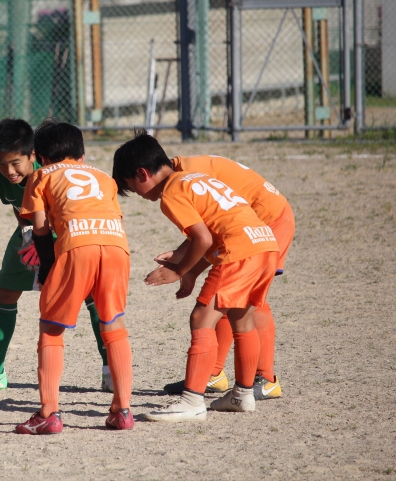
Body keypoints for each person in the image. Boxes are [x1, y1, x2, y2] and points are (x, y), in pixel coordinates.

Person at [112, 132, 279, 421]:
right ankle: (242, 394)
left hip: (240, 251)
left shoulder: (170, 194)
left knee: (201, 318)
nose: (137, 194)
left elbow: (202, 239)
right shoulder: (195, 178)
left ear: (142, 174)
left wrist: (177, 270)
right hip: (265, 244)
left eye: (132, 186)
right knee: (242, 320)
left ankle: (191, 401)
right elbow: (215, 232)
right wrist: (190, 273)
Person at [0, 118, 113, 393]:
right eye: (2, 162)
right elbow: (19, 207)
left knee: (92, 295)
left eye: (16, 163)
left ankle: (110, 369)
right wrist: (27, 232)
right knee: (5, 292)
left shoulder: (50, 170)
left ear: (33, 156)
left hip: (68, 235)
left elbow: (68, 212)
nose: (9, 171)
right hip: (31, 234)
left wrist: (46, 245)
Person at [14, 120, 134, 435]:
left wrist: (48, 267)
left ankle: (49, 414)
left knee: (51, 329)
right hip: (116, 247)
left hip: (76, 247)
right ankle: (122, 410)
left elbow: (40, 227)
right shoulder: (104, 177)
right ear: (82, 155)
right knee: (114, 326)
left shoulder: (41, 175)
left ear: (40, 157)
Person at [157, 153, 294, 400]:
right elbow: (213, 225)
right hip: (251, 222)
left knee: (248, 300)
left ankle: (265, 378)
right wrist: (185, 260)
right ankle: (213, 373)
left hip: (268, 219)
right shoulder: (185, 168)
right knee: (228, 297)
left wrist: (184, 265)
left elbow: (211, 229)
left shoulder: (184, 177)